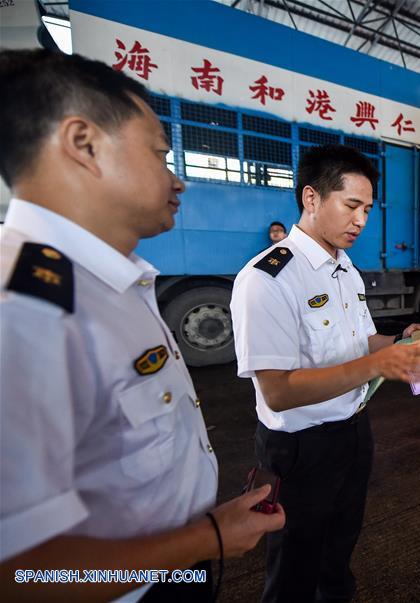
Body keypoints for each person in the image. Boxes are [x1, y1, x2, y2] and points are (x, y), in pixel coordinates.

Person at [0, 49, 285, 602]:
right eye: (159, 154)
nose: (176, 181)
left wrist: (203, 537)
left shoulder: (107, 284)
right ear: (83, 144)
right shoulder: (23, 310)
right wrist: (209, 539)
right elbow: (20, 577)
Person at [230, 144, 420, 602]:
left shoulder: (345, 270)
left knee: (338, 557)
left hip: (353, 435)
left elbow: (359, 343)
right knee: (294, 573)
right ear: (311, 198)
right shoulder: (267, 279)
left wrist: (401, 343)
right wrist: (376, 364)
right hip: (301, 451)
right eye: (352, 206)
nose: (362, 220)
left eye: (368, 209)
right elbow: (277, 392)